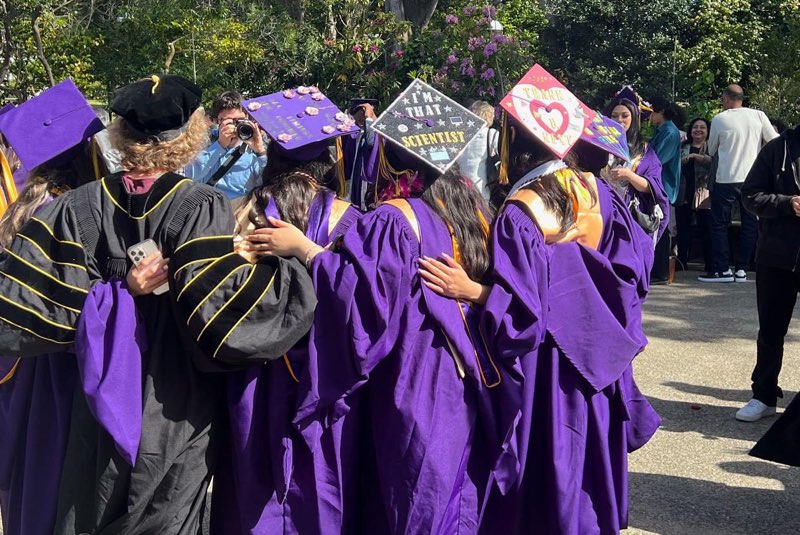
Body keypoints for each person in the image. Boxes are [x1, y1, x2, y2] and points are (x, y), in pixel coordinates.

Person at [0, 75, 316, 535]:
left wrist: (110, 296)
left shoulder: (73, 207)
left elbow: (18, 308)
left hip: (93, 390)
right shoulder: (202, 204)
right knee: (169, 510)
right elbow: (225, 317)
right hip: (174, 399)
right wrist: (294, 271)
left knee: (92, 503)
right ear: (193, 134)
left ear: (120, 135)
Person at [253, 82, 506, 534]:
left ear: (392, 157)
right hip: (467, 373)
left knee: (415, 495)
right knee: (455, 491)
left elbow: (358, 296)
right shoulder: (476, 209)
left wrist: (307, 251)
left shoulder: (393, 218)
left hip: (416, 372)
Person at [419, 72, 659, 532]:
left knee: (552, 465)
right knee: (584, 460)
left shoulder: (523, 210)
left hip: (548, 366)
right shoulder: (598, 190)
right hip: (593, 355)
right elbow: (631, 278)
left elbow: (523, 314)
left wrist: (471, 291)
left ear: (513, 139)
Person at [209, 89, 363, 535]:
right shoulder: (350, 218)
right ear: (329, 161)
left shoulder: (241, 213)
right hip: (323, 373)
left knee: (253, 477)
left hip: (255, 370)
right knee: (319, 481)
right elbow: (360, 301)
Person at [0, 79, 111, 535]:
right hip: (61, 366)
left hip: (17, 361)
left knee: (26, 469)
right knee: (57, 467)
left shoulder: (21, 207)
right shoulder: (78, 208)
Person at [735, 124, 800, 422]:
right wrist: (787, 204)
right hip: (776, 255)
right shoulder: (777, 149)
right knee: (771, 331)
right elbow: (750, 196)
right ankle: (763, 395)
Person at [699, 84, 778, 283]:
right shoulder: (758, 115)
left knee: (719, 224)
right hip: (752, 177)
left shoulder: (719, 118)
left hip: (725, 177)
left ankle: (723, 269)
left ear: (726, 99)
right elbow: (774, 141)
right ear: (742, 98)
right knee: (750, 224)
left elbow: (711, 149)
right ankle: (742, 269)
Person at [184, 90, 267, 203]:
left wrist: (260, 152)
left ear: (247, 118)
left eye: (238, 120)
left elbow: (267, 183)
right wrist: (220, 145)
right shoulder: (204, 142)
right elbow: (190, 175)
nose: (234, 125)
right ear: (216, 121)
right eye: (227, 121)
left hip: (236, 212)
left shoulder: (255, 149)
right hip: (205, 210)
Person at [606, 98, 669, 246]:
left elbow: (653, 187)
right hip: (603, 211)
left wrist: (630, 175)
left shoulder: (644, 151)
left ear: (634, 118)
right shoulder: (601, 146)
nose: (619, 120)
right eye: (614, 116)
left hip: (630, 214)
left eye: (624, 115)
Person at [648, 96, 682, 284]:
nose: (650, 116)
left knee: (661, 227)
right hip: (659, 183)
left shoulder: (670, 132)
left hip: (663, 184)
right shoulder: (662, 130)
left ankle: (660, 272)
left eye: (652, 112)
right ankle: (656, 270)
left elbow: (658, 159)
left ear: (660, 112)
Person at [676, 118, 713, 272]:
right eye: (695, 127)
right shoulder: (683, 146)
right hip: (684, 191)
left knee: (706, 228)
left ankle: (710, 263)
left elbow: (714, 163)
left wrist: (696, 157)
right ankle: (681, 261)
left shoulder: (711, 146)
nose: (698, 130)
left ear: (708, 130)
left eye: (702, 127)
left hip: (703, 192)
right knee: (683, 228)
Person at [455, 100, 499, 201]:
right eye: (492, 115)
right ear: (487, 115)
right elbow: (501, 151)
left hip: (460, 185)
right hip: (480, 185)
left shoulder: (462, 134)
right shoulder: (491, 134)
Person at [342, 98, 380, 210]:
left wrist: (369, 118)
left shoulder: (378, 132)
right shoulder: (355, 136)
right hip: (356, 179)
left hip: (370, 181)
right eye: (358, 122)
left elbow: (371, 141)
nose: (360, 124)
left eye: (362, 121)